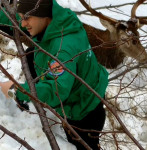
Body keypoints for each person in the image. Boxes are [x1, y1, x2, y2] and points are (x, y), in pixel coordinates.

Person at [0, 0, 108, 149]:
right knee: (31, 55)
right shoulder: (56, 18)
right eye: (22, 17)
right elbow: (17, 20)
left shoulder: (63, 49)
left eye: (26, 18)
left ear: (43, 16)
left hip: (84, 109)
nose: (23, 24)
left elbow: (57, 90)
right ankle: (33, 99)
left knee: (81, 145)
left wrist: (16, 90)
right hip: (81, 85)